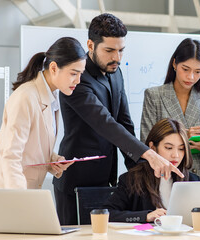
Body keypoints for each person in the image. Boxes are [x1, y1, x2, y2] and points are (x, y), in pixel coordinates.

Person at [53, 13, 183, 225]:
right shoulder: (77, 79)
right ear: (90, 45)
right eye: (109, 50)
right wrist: (150, 155)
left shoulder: (116, 72)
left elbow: (124, 124)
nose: (117, 58)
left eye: (121, 50)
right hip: (77, 182)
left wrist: (142, 173)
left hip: (108, 181)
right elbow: (106, 124)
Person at [0, 37, 86, 189]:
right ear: (53, 68)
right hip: (11, 193)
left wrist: (53, 160)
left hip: (28, 191)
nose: (78, 80)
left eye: (81, 74)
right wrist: (22, 199)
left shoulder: (51, 97)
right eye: (74, 73)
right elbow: (11, 157)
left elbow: (32, 145)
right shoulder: (26, 97)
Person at [141, 38, 200, 181]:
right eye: (185, 69)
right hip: (166, 175)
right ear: (174, 64)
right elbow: (146, 144)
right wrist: (184, 135)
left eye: (197, 71)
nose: (191, 77)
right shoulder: (154, 96)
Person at [103, 118, 200, 223]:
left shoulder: (193, 180)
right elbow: (107, 213)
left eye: (181, 149)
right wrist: (145, 216)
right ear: (152, 148)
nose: (175, 155)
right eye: (168, 148)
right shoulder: (132, 179)